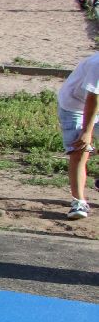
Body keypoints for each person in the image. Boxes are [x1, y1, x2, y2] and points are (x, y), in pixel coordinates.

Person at [55, 51, 99, 220]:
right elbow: (92, 99)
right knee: (80, 150)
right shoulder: (97, 65)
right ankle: (79, 201)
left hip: (94, 105)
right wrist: (86, 132)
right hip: (74, 106)